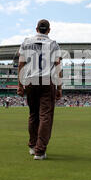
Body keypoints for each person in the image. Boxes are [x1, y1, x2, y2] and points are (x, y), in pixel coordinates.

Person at [17, 19, 63, 160]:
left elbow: (21, 64)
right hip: (46, 81)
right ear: (49, 30)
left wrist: (20, 85)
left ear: (36, 28)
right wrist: (59, 87)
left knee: (33, 115)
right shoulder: (53, 44)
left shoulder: (26, 42)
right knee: (45, 116)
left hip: (31, 80)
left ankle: (32, 146)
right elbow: (58, 67)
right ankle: (40, 151)